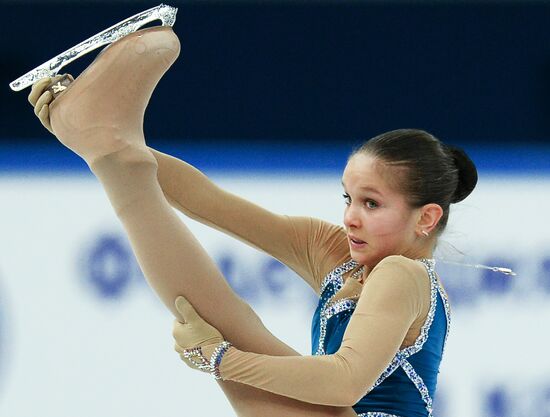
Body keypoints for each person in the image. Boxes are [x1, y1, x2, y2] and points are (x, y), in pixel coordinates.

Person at [27, 25, 476, 417]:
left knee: (232, 326)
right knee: (226, 318)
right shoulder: (331, 250)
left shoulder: (404, 274)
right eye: (348, 198)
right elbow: (208, 201)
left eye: (372, 204)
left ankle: (110, 150)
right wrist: (94, 142)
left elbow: (344, 383)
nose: (350, 218)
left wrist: (223, 360)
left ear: (426, 218)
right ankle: (108, 146)